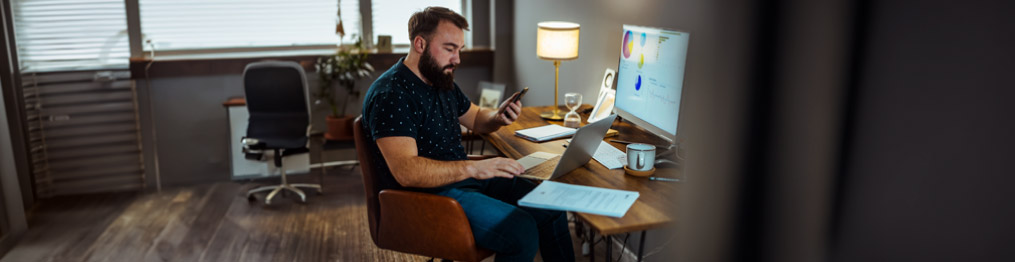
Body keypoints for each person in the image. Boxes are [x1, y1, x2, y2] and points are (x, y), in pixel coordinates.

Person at [360, 6, 575, 262]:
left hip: (461, 181)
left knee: (550, 206)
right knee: (521, 230)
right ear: (420, 43)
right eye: (450, 48)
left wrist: (497, 117)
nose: (457, 59)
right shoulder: (391, 95)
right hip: (424, 197)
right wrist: (474, 169)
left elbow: (474, 117)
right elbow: (407, 171)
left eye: (459, 50)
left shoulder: (439, 78)